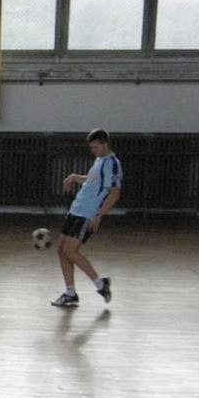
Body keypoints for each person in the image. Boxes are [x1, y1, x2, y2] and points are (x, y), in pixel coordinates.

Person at [52, 128, 122, 307]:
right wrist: (75, 177)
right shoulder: (100, 160)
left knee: (70, 250)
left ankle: (100, 284)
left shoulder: (112, 163)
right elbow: (93, 180)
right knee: (61, 249)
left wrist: (99, 215)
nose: (93, 151)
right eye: (91, 147)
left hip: (88, 214)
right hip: (76, 209)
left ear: (105, 144)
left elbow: (114, 193)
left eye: (95, 147)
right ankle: (70, 293)